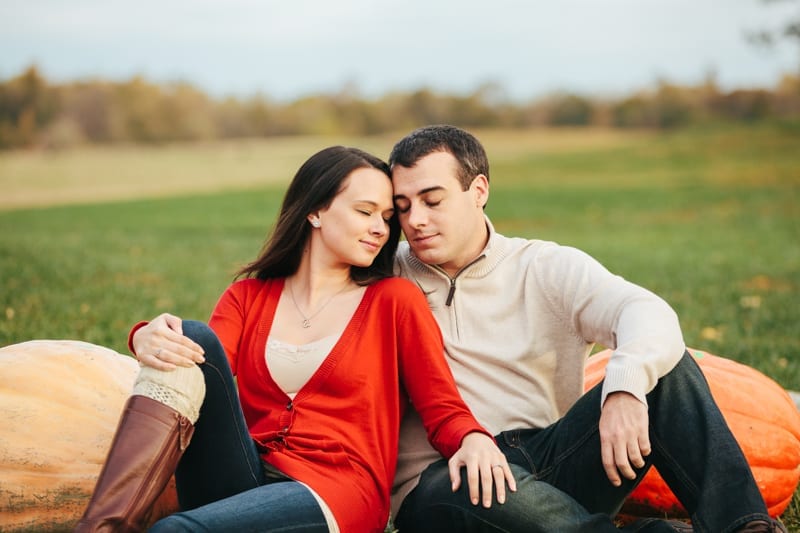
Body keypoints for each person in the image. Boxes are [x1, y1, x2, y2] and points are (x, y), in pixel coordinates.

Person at [75, 145, 515, 533]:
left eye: (386, 217)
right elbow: (201, 373)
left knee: (177, 530)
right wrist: (145, 336)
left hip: (336, 490)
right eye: (365, 212)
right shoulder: (248, 296)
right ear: (315, 211)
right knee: (191, 335)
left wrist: (471, 438)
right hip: (243, 472)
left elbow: (440, 404)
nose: (381, 229)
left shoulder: (393, 301)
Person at [387, 125, 787, 533]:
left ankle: (743, 526)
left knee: (668, 373)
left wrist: (625, 387)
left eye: (432, 200)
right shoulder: (387, 273)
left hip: (554, 458)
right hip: (448, 474)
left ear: (479, 191)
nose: (416, 220)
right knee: (455, 488)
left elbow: (645, 310)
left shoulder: (543, 266)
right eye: (402, 206)